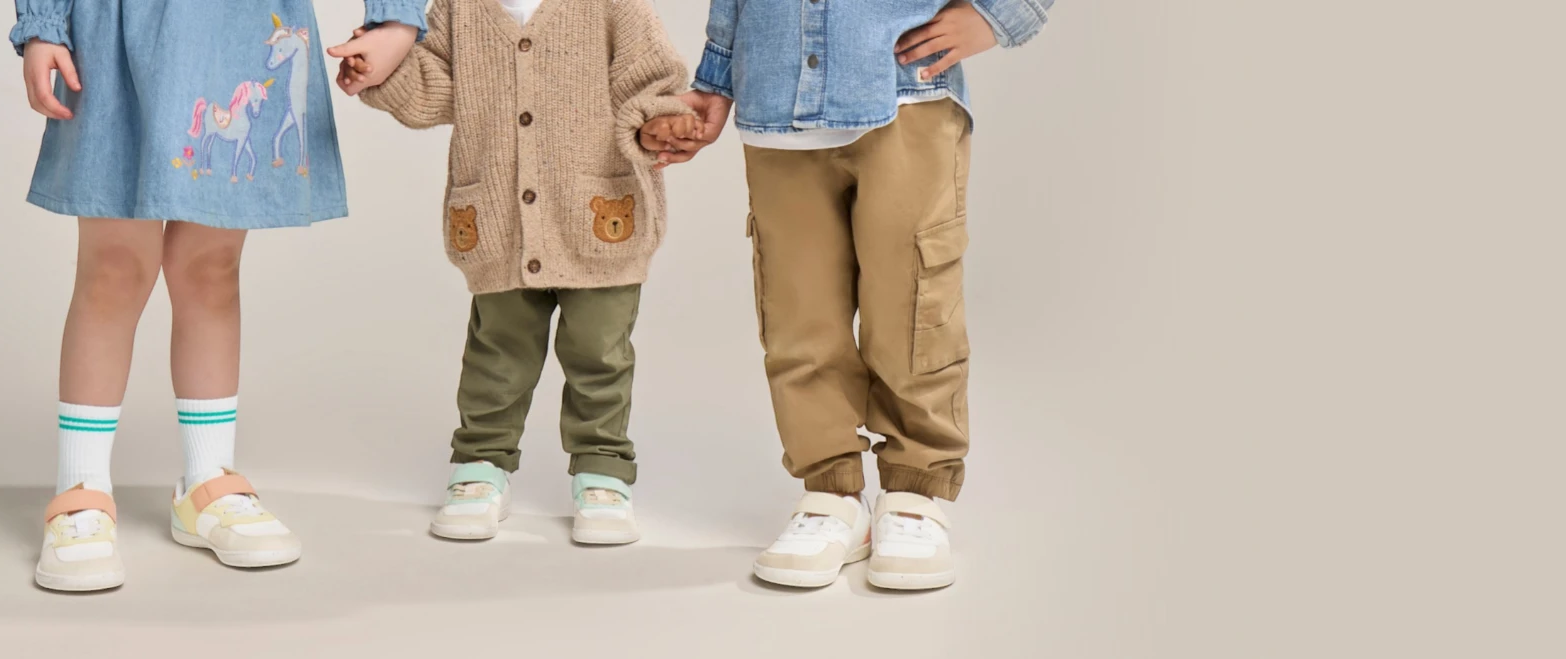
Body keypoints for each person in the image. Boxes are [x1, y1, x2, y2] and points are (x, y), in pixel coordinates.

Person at [12, 0, 428, 591]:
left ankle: (206, 482)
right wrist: (43, 24)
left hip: (235, 26)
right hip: (112, 30)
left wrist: (396, 20)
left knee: (210, 267)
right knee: (113, 266)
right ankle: (81, 488)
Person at [661, 0, 1054, 589]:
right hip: (776, 97)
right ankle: (831, 496)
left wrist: (1002, 14)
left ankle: (914, 494)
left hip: (906, 93)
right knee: (798, 315)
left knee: (913, 306)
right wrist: (714, 77)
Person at [339, 0, 701, 544]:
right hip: (501, 221)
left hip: (598, 214)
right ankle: (481, 465)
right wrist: (384, 68)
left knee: (599, 352)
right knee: (498, 351)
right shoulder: (457, 8)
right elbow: (433, 89)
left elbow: (650, 79)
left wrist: (658, 122)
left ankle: (602, 470)